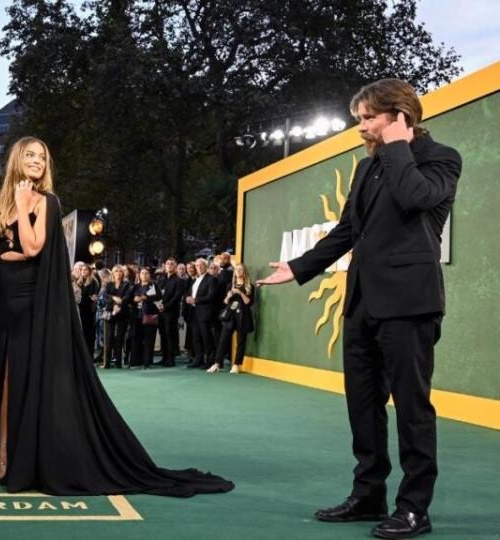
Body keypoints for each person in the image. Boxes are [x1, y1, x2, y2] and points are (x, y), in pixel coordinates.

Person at [258, 79, 461, 539]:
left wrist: (397, 147)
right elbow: (348, 230)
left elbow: (415, 198)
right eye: (359, 119)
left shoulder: (441, 158)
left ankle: (414, 508)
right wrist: (298, 266)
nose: (361, 128)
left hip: (410, 303)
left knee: (412, 409)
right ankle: (369, 494)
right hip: (363, 302)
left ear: (400, 115)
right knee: (363, 405)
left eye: (370, 118)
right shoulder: (366, 169)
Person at [0, 136, 233, 497]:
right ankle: (1, 453)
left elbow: (33, 247)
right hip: (5, 302)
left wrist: (20, 210)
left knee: (27, 377)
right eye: (30, 155)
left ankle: (23, 457)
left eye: (42, 157)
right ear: (17, 160)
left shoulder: (47, 201)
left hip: (34, 302)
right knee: (3, 378)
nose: (37, 161)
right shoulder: (4, 204)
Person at [207, 263, 255, 374]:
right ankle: (217, 364)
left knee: (241, 341)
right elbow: (225, 302)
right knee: (223, 340)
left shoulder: (249, 286)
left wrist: (240, 292)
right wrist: (228, 296)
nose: (238, 271)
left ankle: (236, 365)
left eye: (241, 269)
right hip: (230, 316)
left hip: (243, 315)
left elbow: (248, 302)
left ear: (244, 272)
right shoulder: (230, 285)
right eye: (237, 269)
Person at [186, 258, 219, 369]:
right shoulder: (196, 279)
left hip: (205, 312)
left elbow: (211, 296)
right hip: (194, 312)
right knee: (196, 337)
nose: (199, 267)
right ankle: (198, 359)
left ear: (206, 266)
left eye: (201, 265)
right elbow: (191, 292)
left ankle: (210, 361)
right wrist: (188, 298)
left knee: (206, 337)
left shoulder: (211, 279)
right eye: (197, 266)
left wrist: (196, 300)